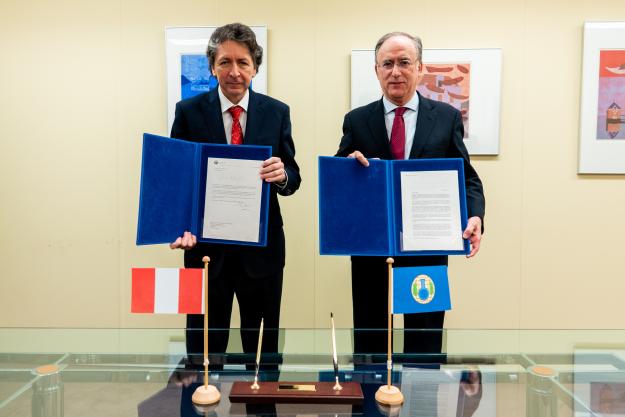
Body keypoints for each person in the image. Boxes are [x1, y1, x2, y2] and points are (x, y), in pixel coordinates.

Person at [336, 32, 485, 355]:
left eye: (404, 63)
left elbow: (467, 178)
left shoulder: (445, 118)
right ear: (376, 70)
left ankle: (421, 405)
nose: (395, 71)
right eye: (387, 64)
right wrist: (347, 167)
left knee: (425, 345)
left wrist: (475, 216)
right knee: (371, 346)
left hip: (428, 248)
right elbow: (338, 179)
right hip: (371, 251)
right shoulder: (357, 120)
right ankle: (373, 406)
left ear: (419, 68)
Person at [169, 23, 301, 363]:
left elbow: (293, 174)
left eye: (243, 62)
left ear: (255, 67)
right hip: (206, 254)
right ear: (212, 66)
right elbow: (176, 179)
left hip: (263, 255)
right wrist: (176, 226)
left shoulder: (277, 111)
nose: (234, 72)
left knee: (261, 355)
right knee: (202, 355)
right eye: (225, 62)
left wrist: (282, 175)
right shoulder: (188, 112)